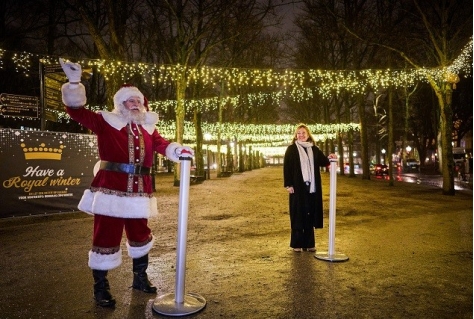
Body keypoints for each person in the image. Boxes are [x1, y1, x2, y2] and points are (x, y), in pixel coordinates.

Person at [59, 58, 194, 308]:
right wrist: (74, 83)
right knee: (105, 235)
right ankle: (101, 288)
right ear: (120, 103)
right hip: (111, 188)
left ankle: (140, 278)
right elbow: (76, 111)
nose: (135, 105)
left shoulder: (148, 128)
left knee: (140, 234)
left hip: (140, 190)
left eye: (138, 101)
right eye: (130, 101)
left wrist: (179, 151)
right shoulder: (105, 121)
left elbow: (163, 145)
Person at [283, 124, 336, 252]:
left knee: (309, 213)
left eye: (303, 133)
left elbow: (324, 161)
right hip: (297, 187)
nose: (301, 135)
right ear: (296, 135)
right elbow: (287, 168)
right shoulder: (291, 149)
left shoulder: (314, 149)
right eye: (299, 133)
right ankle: (296, 244)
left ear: (308, 135)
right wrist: (288, 185)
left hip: (311, 188)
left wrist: (332, 157)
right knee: (297, 214)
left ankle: (309, 243)